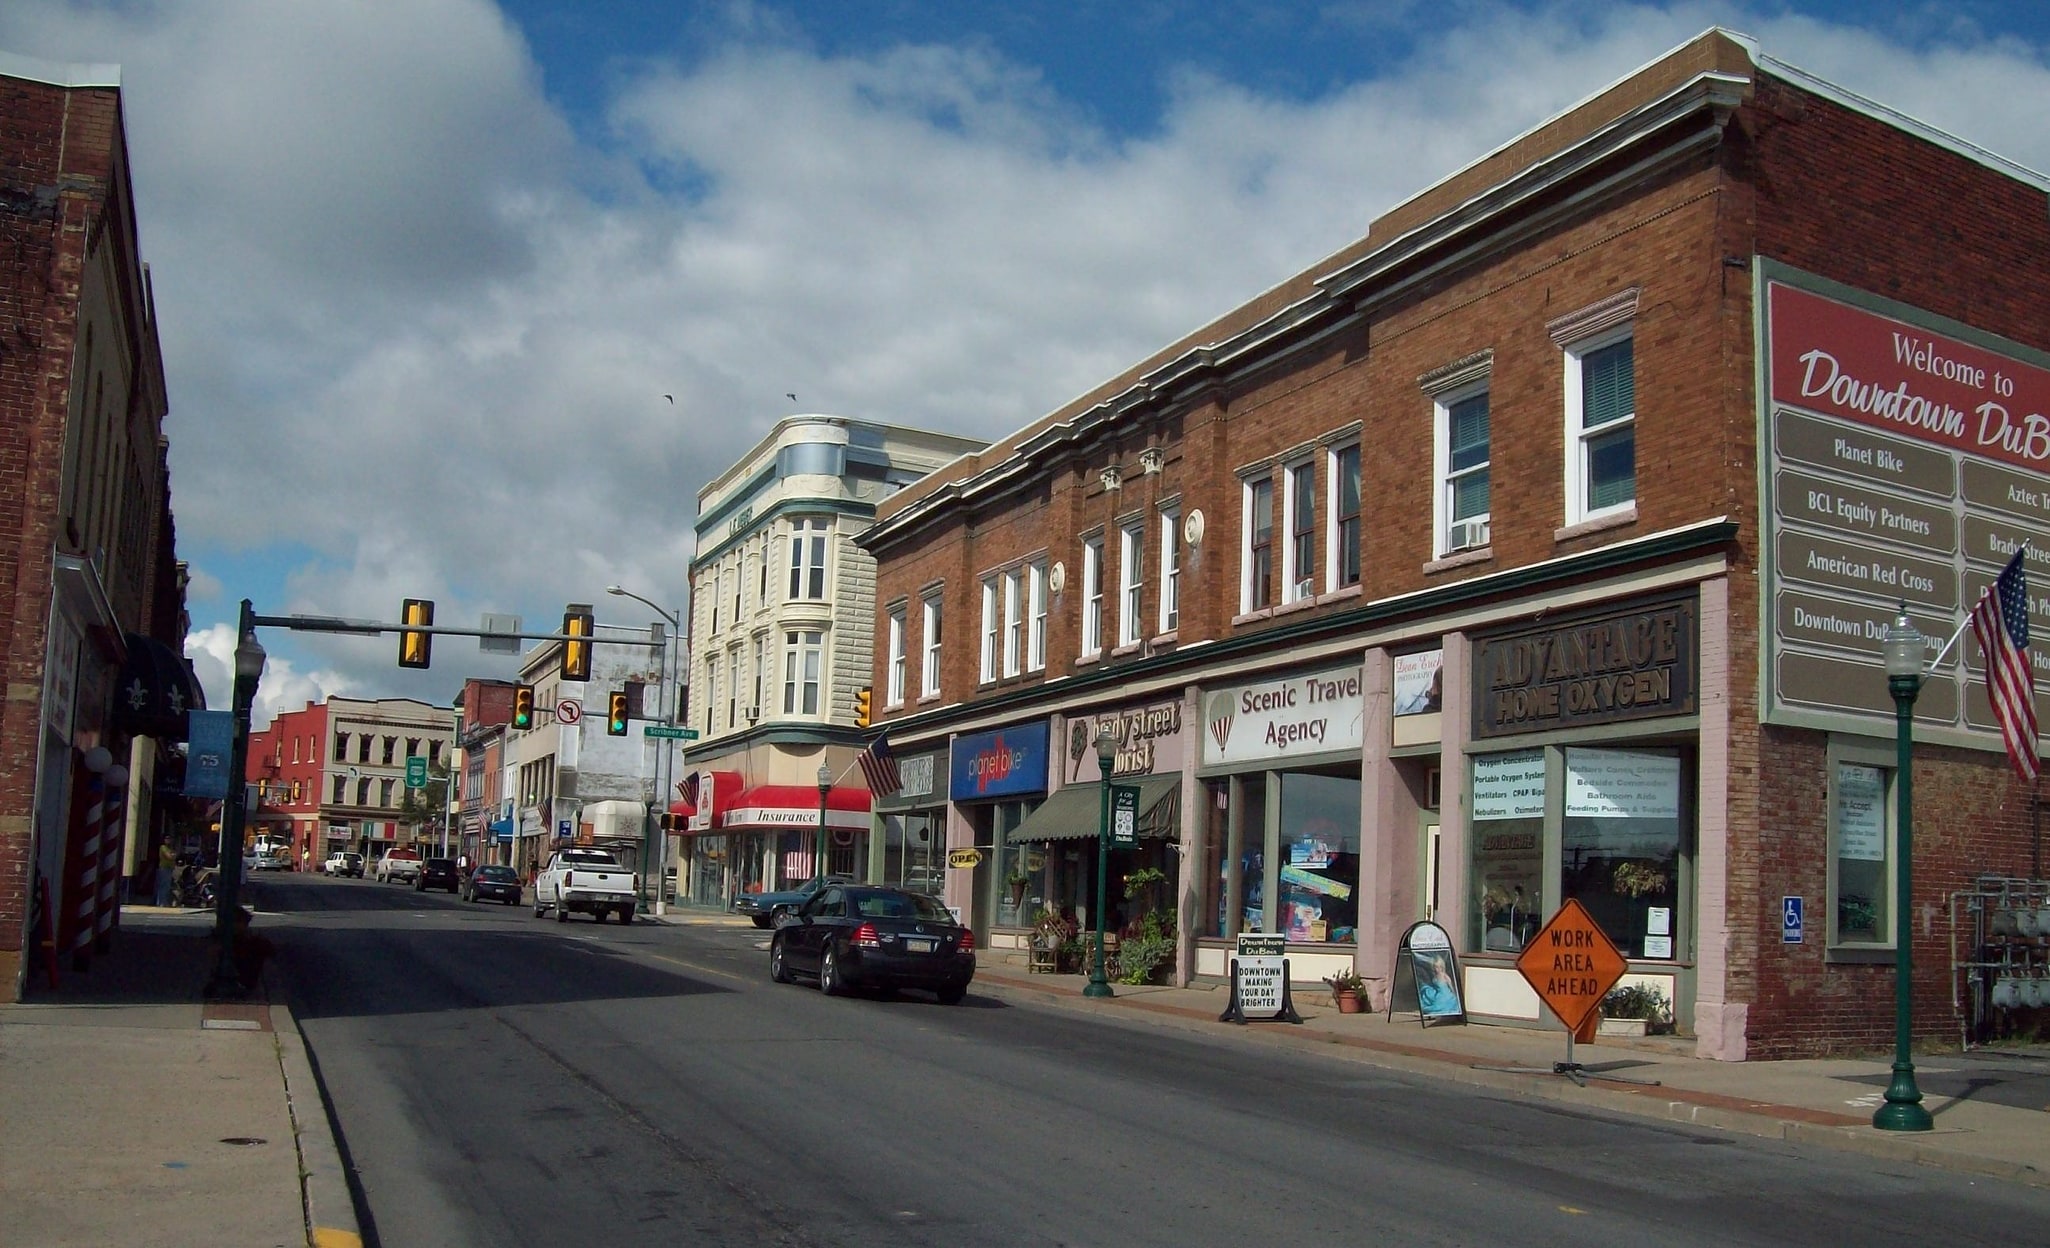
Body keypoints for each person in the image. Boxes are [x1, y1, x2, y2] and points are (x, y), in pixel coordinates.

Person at [155, 840, 177, 907]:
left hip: (169, 868)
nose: (168, 840)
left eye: (169, 839)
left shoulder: (169, 848)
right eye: (166, 838)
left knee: (167, 886)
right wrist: (172, 855)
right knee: (163, 886)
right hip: (164, 868)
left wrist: (173, 854)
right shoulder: (163, 847)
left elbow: (174, 855)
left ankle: (164, 902)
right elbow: (169, 856)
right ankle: (161, 902)